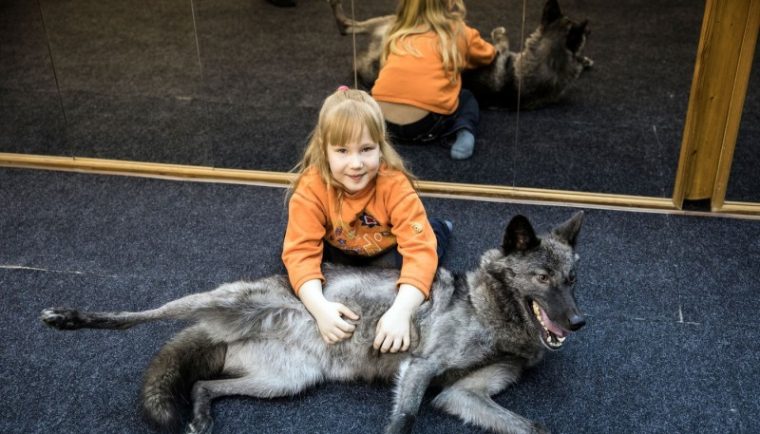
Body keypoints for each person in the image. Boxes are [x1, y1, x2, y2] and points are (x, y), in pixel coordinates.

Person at [282, 86, 451, 354]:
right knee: (293, 260)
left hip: (387, 247)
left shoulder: (395, 185)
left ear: (380, 147)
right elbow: (300, 252)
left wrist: (402, 312)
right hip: (341, 247)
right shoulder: (310, 188)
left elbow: (420, 252)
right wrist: (319, 308)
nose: (356, 163)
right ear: (323, 149)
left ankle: (440, 227)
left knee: (430, 247)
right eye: (342, 151)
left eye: (366, 149)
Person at [371, 0, 496, 160]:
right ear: (450, 3)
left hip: (382, 122)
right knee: (466, 97)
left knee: (380, 92)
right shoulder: (459, 31)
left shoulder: (397, 30)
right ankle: (465, 130)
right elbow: (488, 55)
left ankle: (365, 133)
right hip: (426, 125)